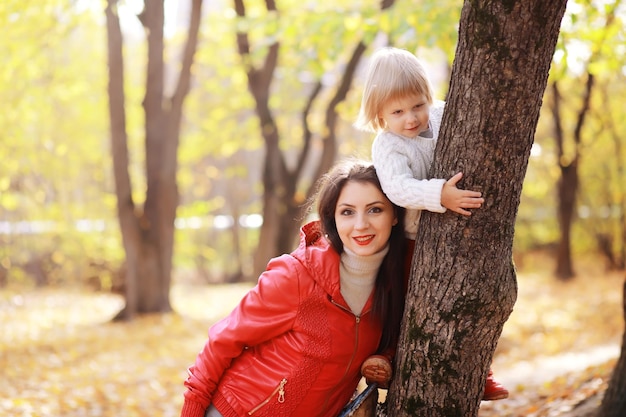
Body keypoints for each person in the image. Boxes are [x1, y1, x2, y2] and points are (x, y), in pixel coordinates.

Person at [180, 159, 408, 417]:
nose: (360, 224)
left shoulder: (397, 283)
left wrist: (385, 358)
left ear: (395, 216)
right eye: (347, 212)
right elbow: (223, 341)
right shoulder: (296, 274)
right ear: (332, 218)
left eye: (375, 210)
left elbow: (388, 340)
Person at [355, 46, 509, 401]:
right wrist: (440, 195)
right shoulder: (388, 144)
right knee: (407, 298)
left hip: (453, 234)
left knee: (472, 298)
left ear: (429, 98)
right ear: (379, 113)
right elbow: (397, 187)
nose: (411, 118)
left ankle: (479, 368)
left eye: (417, 106)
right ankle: (389, 355)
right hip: (410, 238)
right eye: (397, 111)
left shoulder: (442, 117)